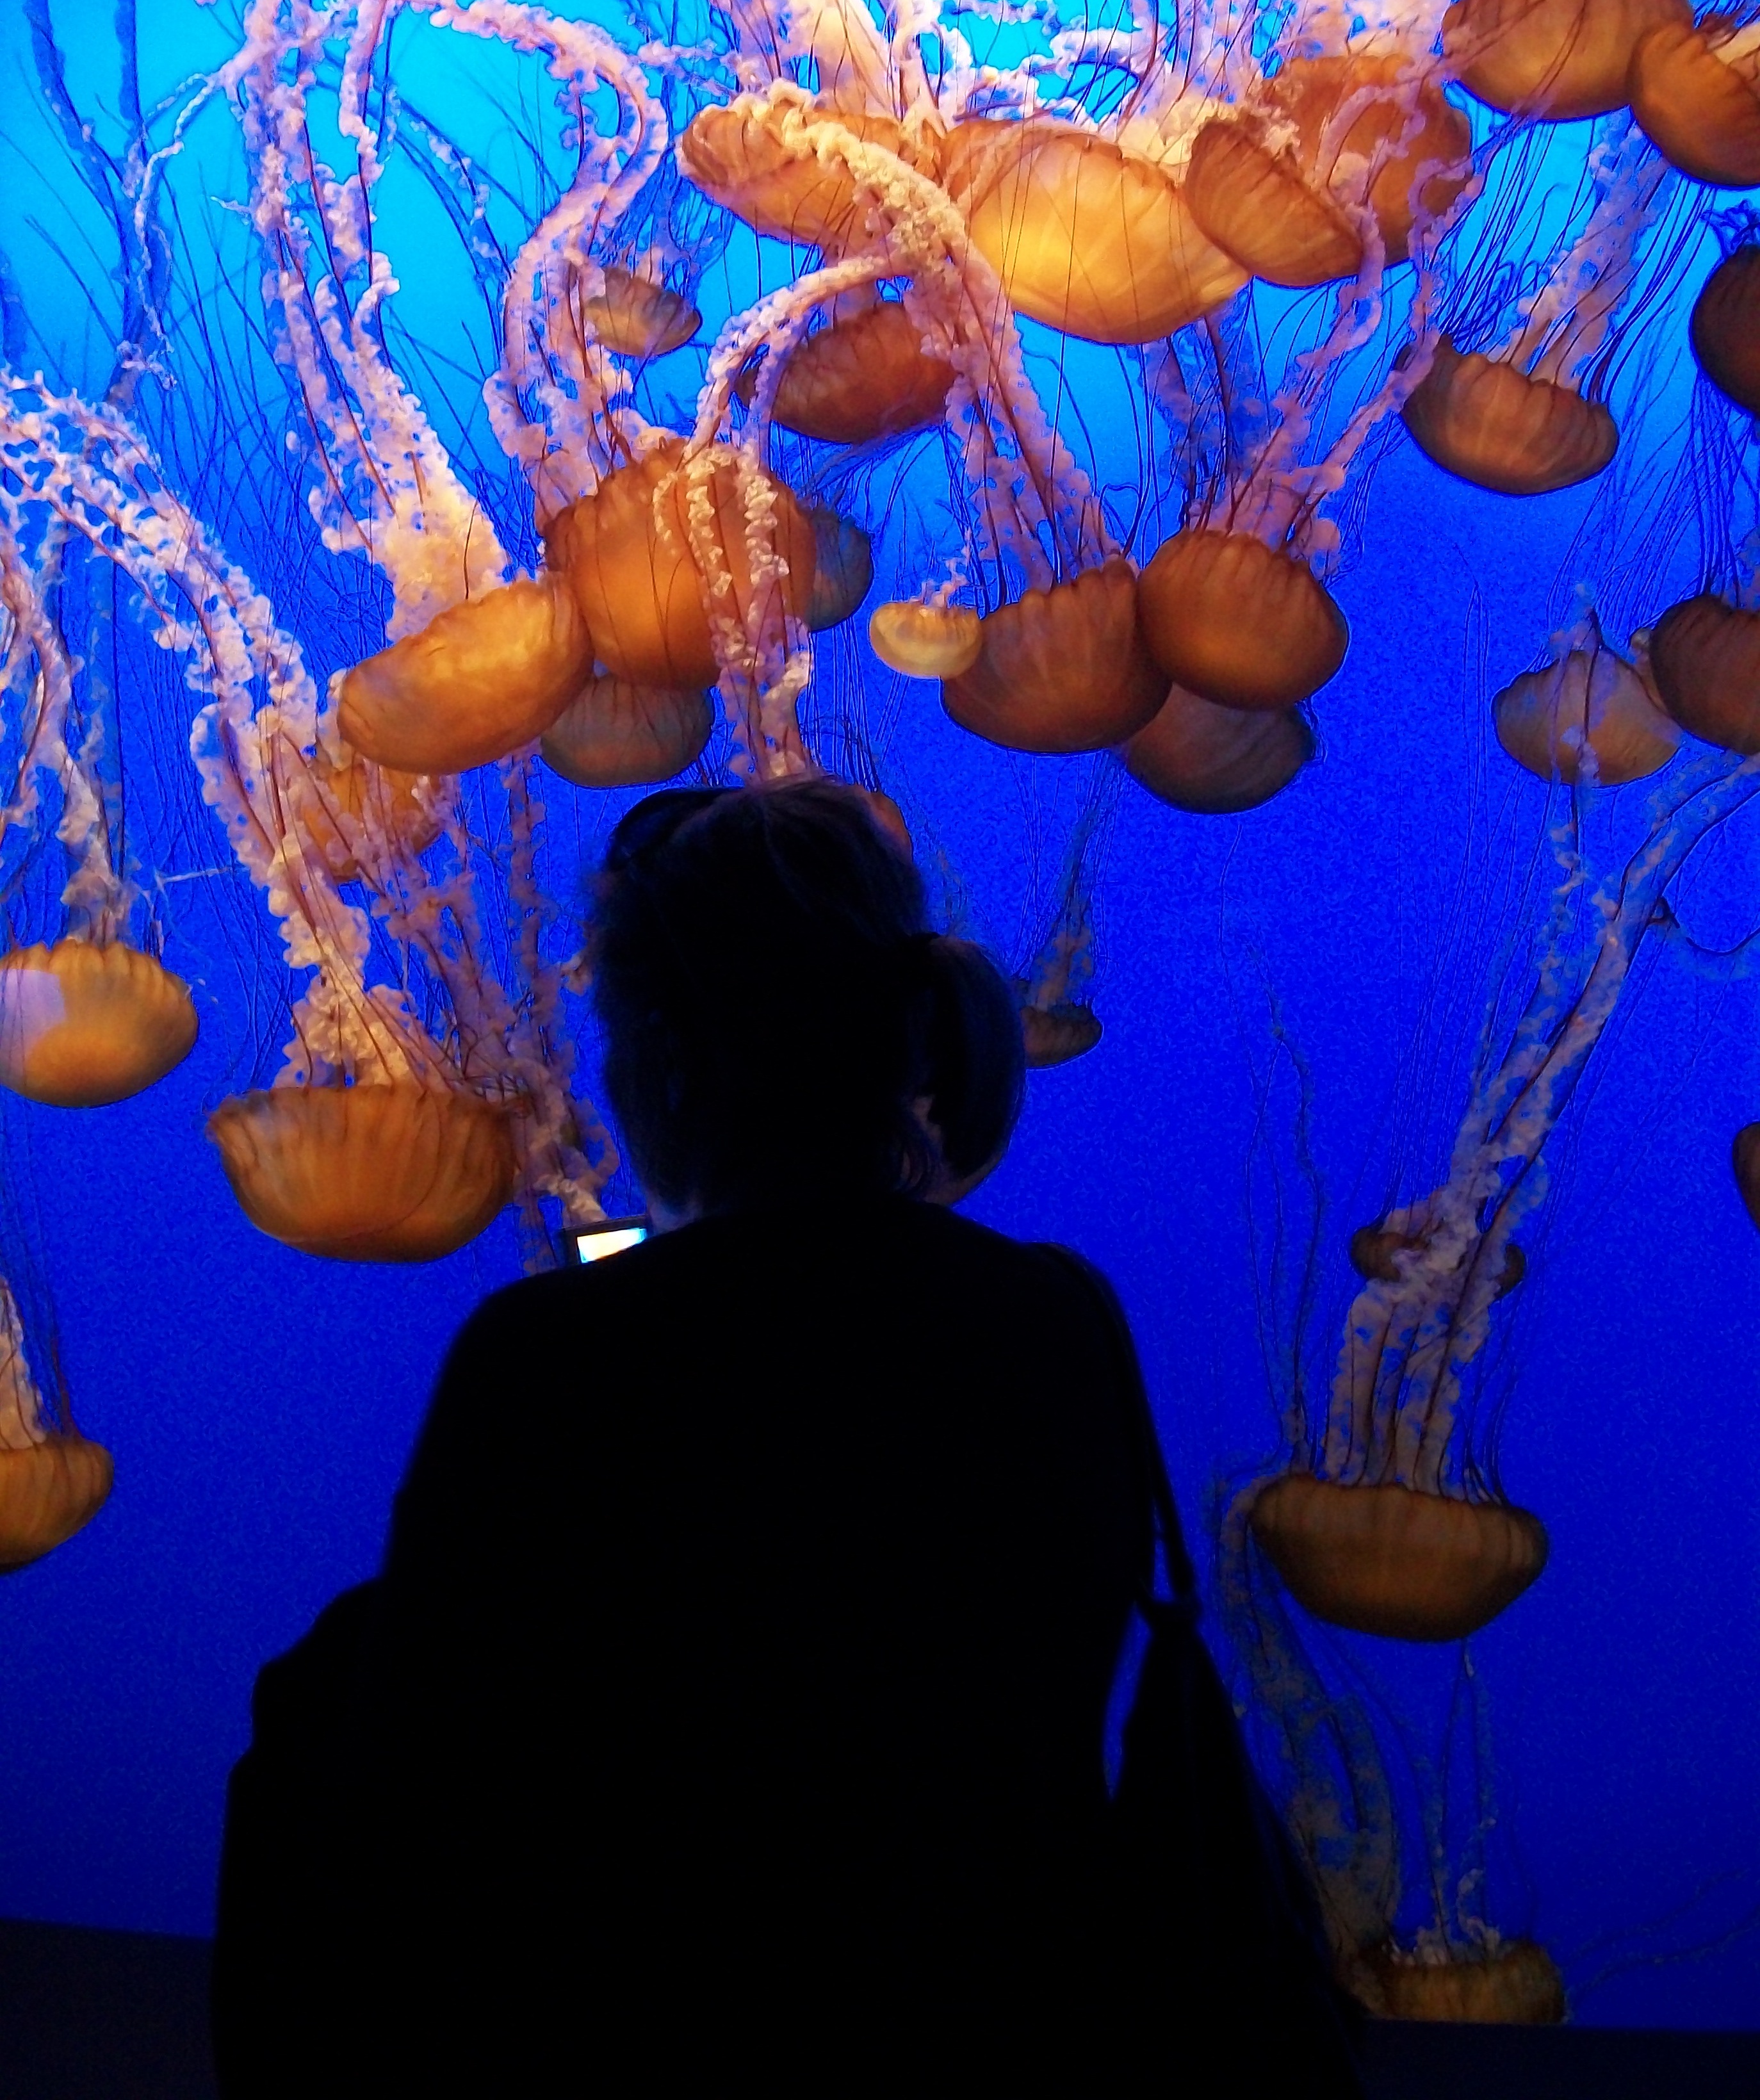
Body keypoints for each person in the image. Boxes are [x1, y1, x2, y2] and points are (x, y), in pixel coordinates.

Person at [211, 781, 1361, 2094]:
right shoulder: (1058, 1323)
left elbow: (412, 1780)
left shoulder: (547, 1356)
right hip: (987, 2037)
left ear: (659, 1057)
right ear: (916, 1037)